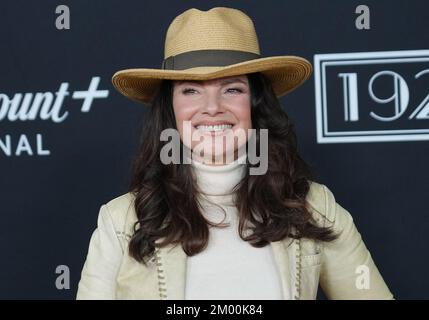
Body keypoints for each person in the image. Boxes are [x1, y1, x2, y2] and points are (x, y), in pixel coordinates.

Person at [76, 7, 394, 300]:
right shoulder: (119, 220)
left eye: (232, 89)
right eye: (190, 90)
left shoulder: (314, 205)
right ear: (170, 109)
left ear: (255, 103)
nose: (212, 108)